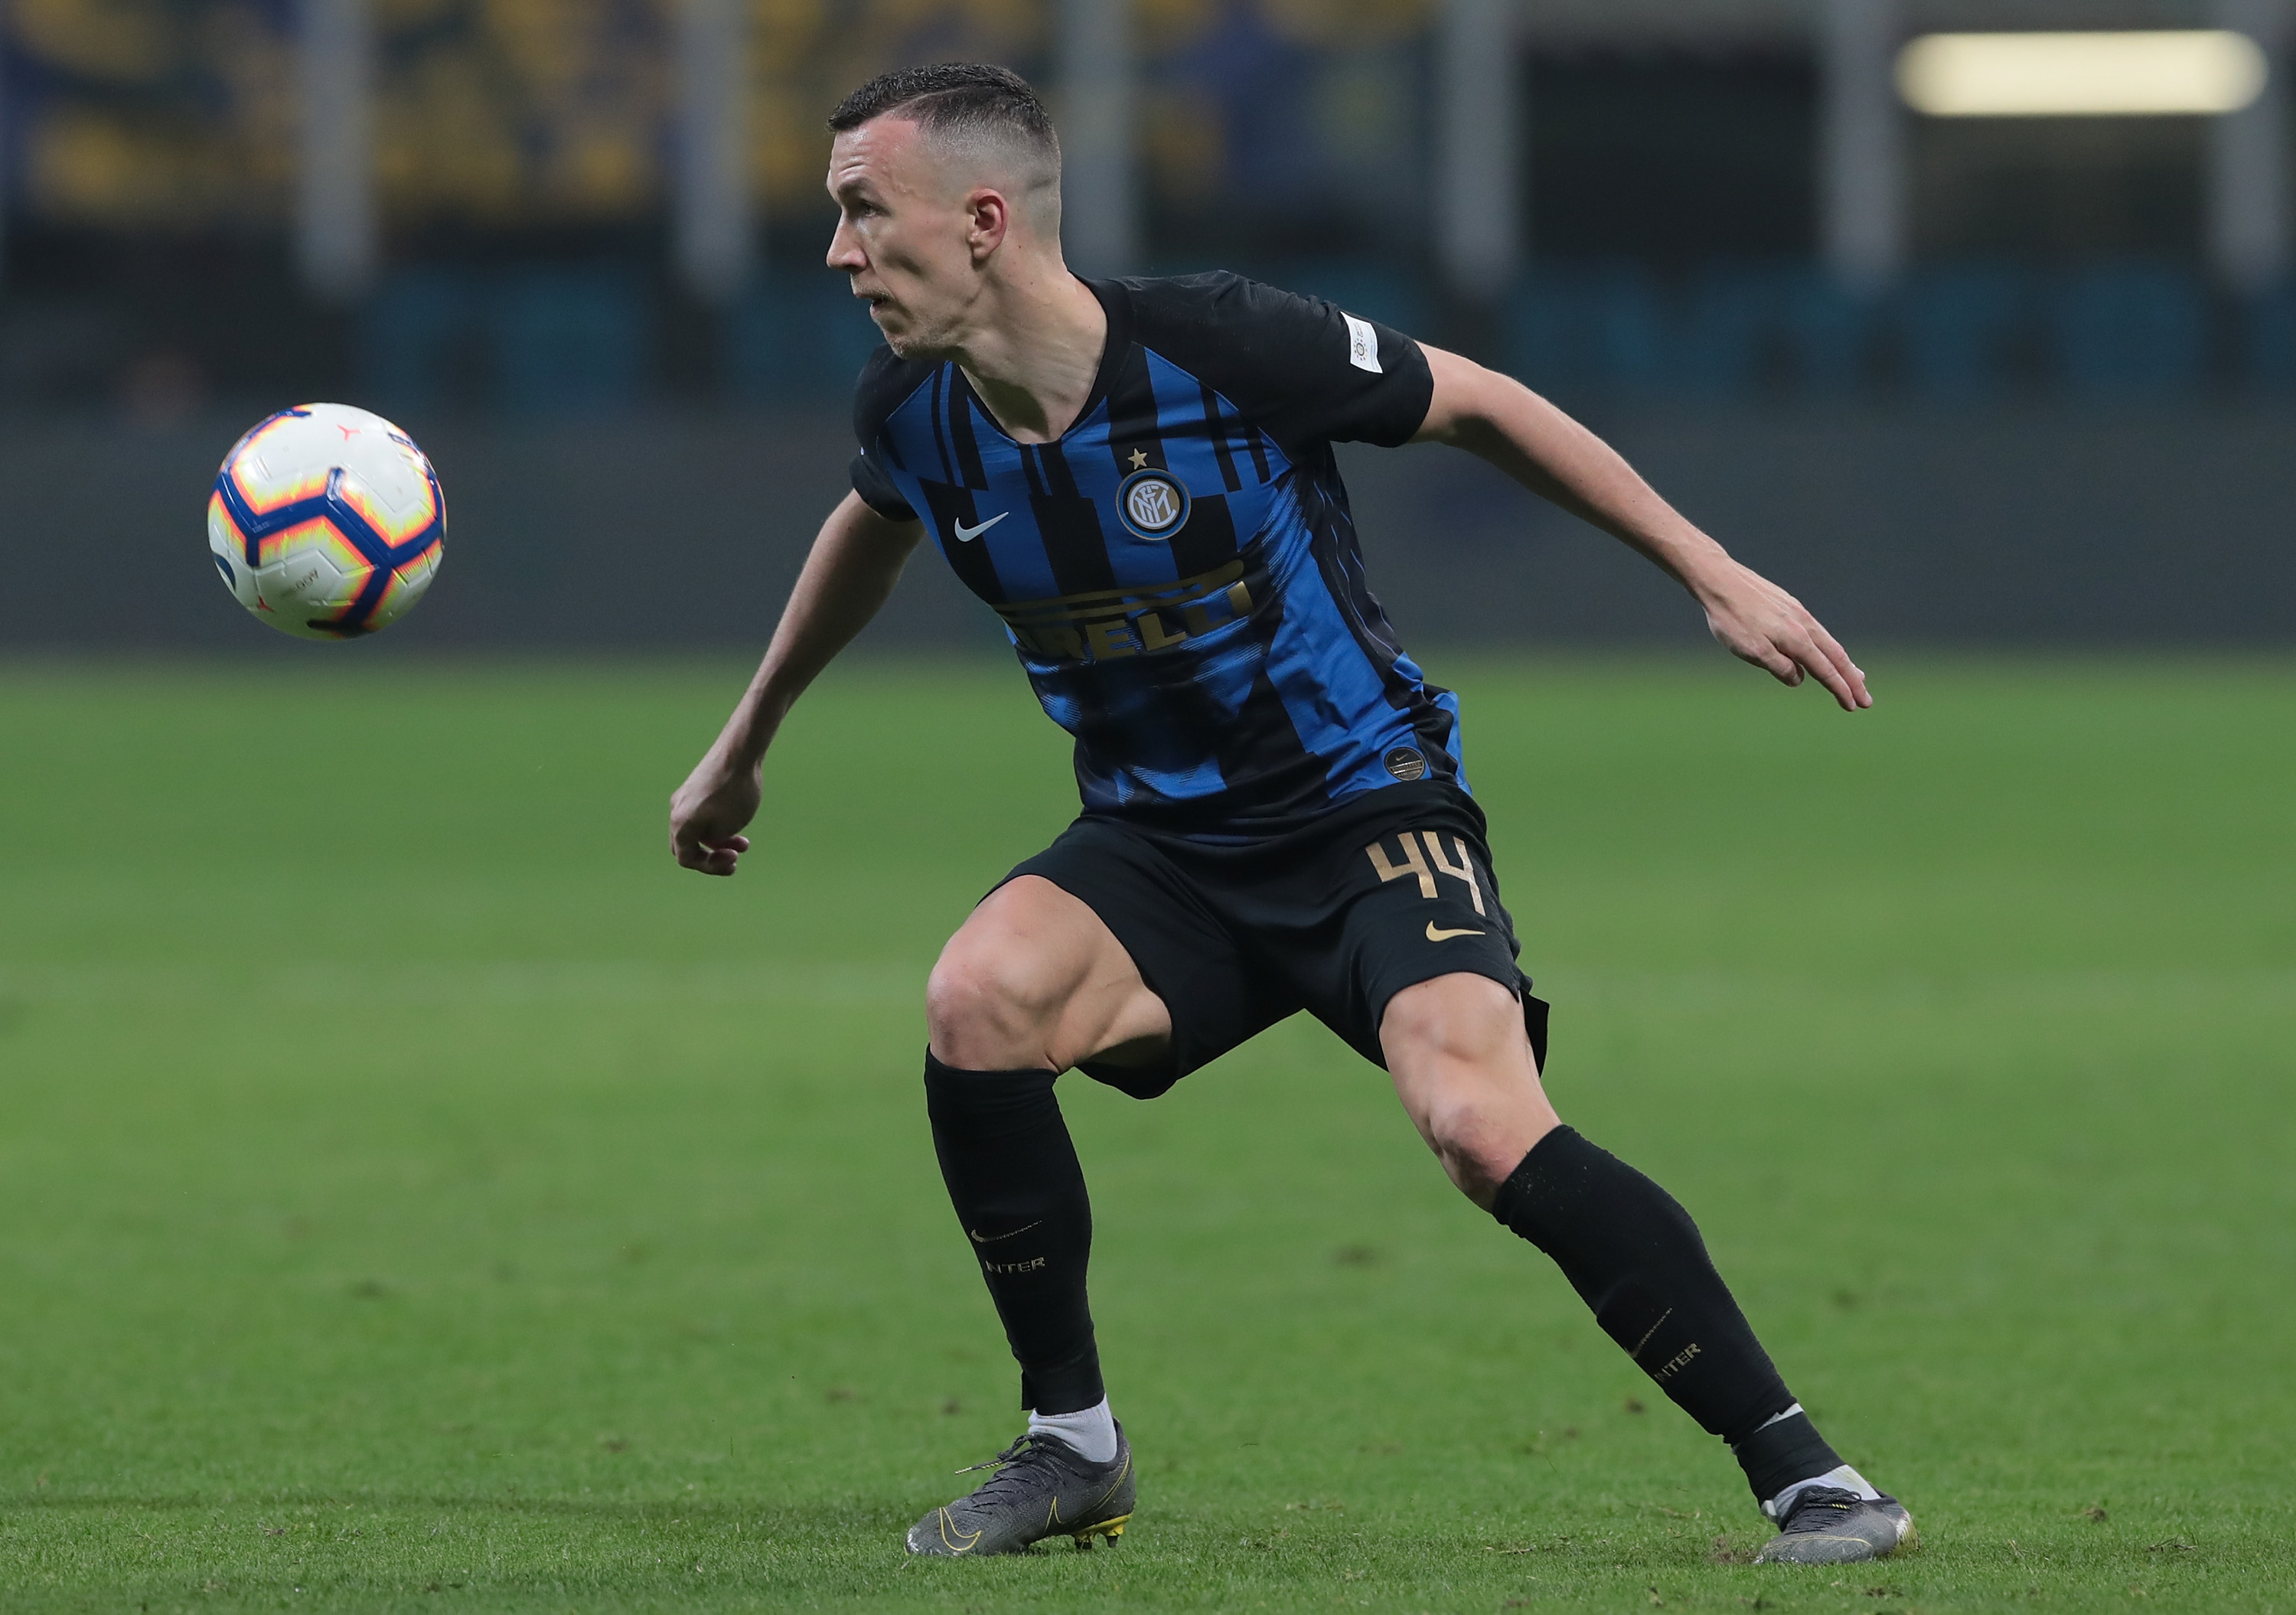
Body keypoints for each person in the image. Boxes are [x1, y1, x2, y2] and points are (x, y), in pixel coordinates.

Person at [670, 62, 1911, 1568]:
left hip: (1361, 808)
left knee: (1475, 1119)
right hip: (1162, 849)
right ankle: (1072, 1442)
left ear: (984, 220)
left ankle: (1813, 1477)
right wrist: (747, 741)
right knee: (977, 998)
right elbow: (871, 523)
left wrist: (1714, 571)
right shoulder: (920, 412)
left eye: (865, 213)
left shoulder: (1223, 344)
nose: (839, 252)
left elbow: (1484, 402)